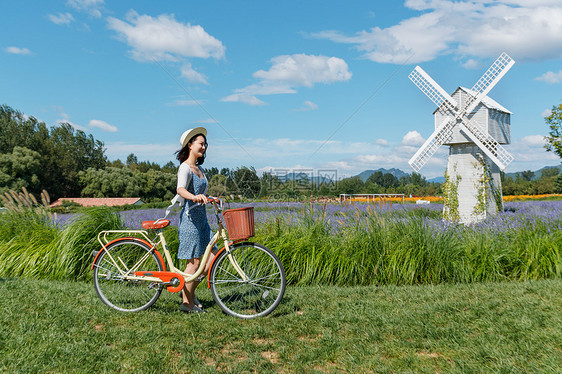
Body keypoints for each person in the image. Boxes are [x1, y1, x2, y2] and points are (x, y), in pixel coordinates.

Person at [175, 127, 217, 313]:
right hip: (190, 220)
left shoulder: (199, 169)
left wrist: (210, 198)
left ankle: (189, 294)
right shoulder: (185, 167)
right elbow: (180, 189)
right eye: (201, 143)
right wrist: (193, 197)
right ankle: (187, 303)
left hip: (202, 220)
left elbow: (202, 193)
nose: (204, 147)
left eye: (205, 144)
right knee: (194, 264)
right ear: (190, 145)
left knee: (213, 258)